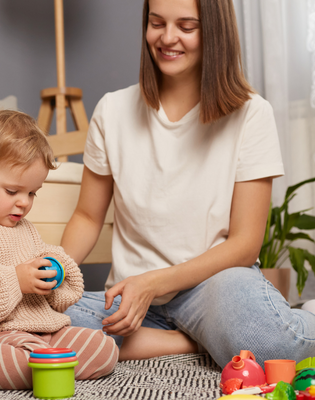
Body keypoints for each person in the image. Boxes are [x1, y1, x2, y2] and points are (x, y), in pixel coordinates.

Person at [61, 0, 315, 369]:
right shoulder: (112, 111)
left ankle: (305, 317)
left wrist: (155, 282)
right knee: (44, 324)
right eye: (156, 23)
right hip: (131, 297)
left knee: (268, 347)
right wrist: (56, 270)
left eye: (186, 26)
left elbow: (245, 245)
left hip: (214, 287)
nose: (167, 38)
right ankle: (187, 342)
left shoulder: (251, 113)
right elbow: (87, 216)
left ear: (214, 31)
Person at [0, 110, 196, 390]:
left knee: (103, 349)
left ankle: (40, 360)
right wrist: (15, 281)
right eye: (12, 190)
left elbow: (61, 298)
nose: (24, 202)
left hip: (38, 333)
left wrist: (55, 271)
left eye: (33, 192)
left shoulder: (24, 228)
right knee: (18, 361)